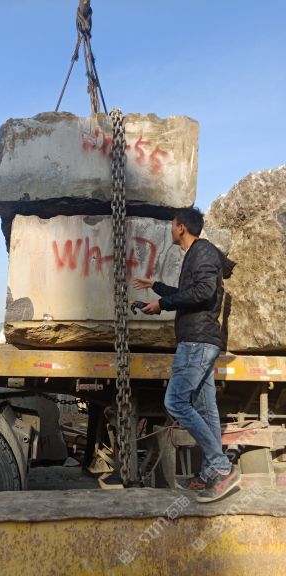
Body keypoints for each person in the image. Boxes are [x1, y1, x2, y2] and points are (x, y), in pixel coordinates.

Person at [133, 207, 240, 503]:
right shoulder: (198, 253)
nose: (170, 228)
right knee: (206, 408)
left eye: (172, 224)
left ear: (181, 227)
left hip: (196, 341)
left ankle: (222, 468)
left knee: (176, 402)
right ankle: (208, 472)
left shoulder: (202, 251)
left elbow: (203, 292)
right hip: (199, 340)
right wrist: (156, 288)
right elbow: (189, 293)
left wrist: (163, 304)